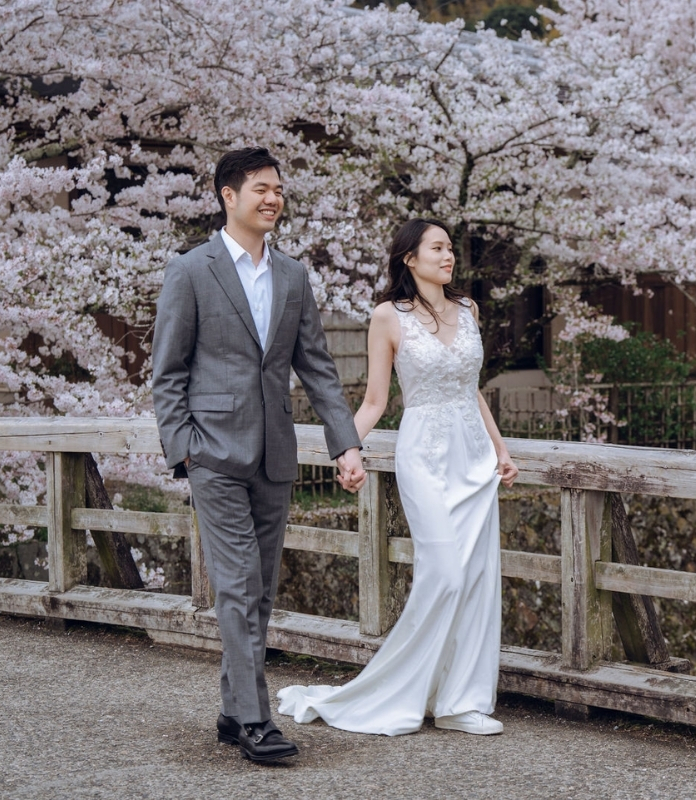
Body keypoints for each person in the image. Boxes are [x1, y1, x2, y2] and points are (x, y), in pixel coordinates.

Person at [152, 147, 366, 762]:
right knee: (241, 585)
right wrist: (185, 450)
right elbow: (167, 372)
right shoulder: (191, 270)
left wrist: (344, 443)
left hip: (275, 453)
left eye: (278, 189)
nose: (273, 198)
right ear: (228, 195)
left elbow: (318, 369)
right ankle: (255, 721)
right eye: (260, 189)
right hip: (213, 455)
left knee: (260, 589)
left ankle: (229, 709)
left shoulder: (294, 276)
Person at [276, 218, 519, 736]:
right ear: (410, 258)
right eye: (437, 248)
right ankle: (394, 691)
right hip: (425, 455)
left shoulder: (469, 309)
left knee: (476, 580)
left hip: (474, 458)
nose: (448, 255)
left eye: (450, 248)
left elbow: (471, 389)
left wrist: (500, 449)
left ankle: (459, 702)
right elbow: (375, 400)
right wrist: (347, 449)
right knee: (445, 574)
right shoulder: (389, 317)